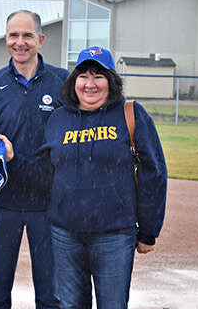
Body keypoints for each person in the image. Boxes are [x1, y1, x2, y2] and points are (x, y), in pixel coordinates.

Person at [34, 46, 167, 308]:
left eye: (99, 76)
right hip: (65, 234)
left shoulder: (131, 113)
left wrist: (148, 232)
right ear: (74, 82)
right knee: (71, 305)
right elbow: (43, 171)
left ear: (112, 82)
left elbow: (154, 172)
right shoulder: (59, 118)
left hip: (114, 234)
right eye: (83, 76)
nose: (90, 84)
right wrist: (11, 156)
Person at [0, 10, 68, 309]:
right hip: (3, 202)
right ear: (5, 40)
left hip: (49, 203)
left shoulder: (62, 82)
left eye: (27, 35)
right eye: (14, 35)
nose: (20, 42)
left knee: (51, 295)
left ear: (40, 40)